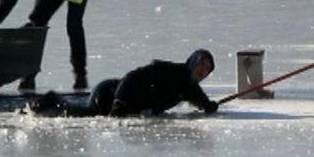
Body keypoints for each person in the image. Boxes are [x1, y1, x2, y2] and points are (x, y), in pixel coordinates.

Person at [27, 49, 219, 117]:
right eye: (201, 65)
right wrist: (119, 102)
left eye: (207, 70)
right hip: (110, 93)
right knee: (80, 113)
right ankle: (50, 100)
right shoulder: (169, 71)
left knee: (80, 112)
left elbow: (201, 101)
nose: (203, 71)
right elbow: (132, 77)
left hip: (123, 102)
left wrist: (209, 106)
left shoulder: (190, 88)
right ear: (192, 63)